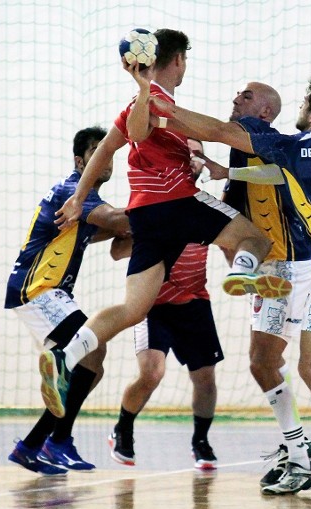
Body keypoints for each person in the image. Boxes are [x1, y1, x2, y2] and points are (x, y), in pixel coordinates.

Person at [150, 77, 311, 499]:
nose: (234, 97)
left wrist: (163, 108)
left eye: (244, 95)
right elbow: (274, 172)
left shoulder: (283, 143)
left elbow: (217, 130)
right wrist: (228, 172)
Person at [38, 29, 292, 418]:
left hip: (144, 215)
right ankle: (243, 274)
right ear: (178, 61)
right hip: (178, 202)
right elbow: (170, 129)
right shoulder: (157, 100)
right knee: (255, 239)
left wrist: (77, 197)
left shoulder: (139, 102)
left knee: (132, 308)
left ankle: (67, 357)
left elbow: (109, 146)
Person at [194, 83, 311, 494]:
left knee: (261, 361)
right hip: (274, 265)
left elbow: (276, 174)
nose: (235, 98)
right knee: (270, 360)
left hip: (287, 263)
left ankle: (299, 454)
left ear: (265, 111)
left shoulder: (261, 136)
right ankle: (298, 445)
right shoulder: (241, 146)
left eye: (246, 96)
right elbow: (235, 214)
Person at [5, 126, 129, 475]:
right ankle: (50, 441)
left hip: (51, 292)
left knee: (93, 361)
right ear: (81, 160)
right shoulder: (74, 190)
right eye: (97, 151)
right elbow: (117, 221)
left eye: (110, 152)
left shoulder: (84, 199)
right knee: (92, 351)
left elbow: (116, 234)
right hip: (35, 289)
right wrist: (164, 208)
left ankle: (39, 443)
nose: (106, 158)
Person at [108, 138, 222, 470]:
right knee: (152, 372)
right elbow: (117, 251)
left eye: (197, 154)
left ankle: (200, 441)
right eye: (185, 152)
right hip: (154, 304)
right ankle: (123, 428)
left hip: (194, 303)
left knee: (205, 379)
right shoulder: (151, 205)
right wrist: (152, 236)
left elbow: (234, 247)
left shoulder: (209, 208)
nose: (191, 159)